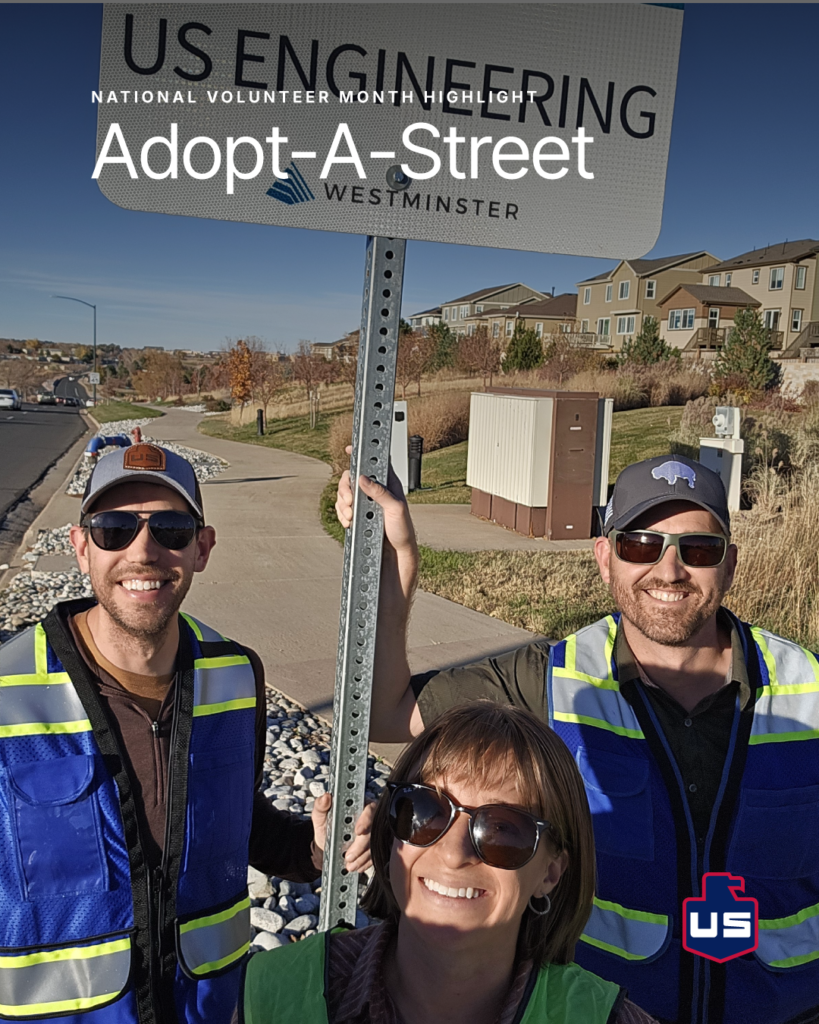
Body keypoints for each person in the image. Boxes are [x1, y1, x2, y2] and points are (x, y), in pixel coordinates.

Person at [335, 453, 819, 1024]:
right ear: (603, 557)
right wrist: (399, 565)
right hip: (598, 1012)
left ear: (730, 564)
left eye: (699, 550)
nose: (669, 572)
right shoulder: (548, 678)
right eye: (640, 545)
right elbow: (385, 712)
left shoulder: (807, 688)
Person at [0, 443, 367, 1024]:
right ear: (80, 547)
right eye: (113, 528)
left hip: (206, 1009)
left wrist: (315, 850)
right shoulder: (7, 689)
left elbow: (239, 828)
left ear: (202, 548)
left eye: (170, 529)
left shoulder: (235, 676)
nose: (143, 551)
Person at [241, 701, 658, 1024]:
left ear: (550, 872)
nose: (454, 853)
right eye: (425, 810)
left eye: (502, 830)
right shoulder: (269, 994)